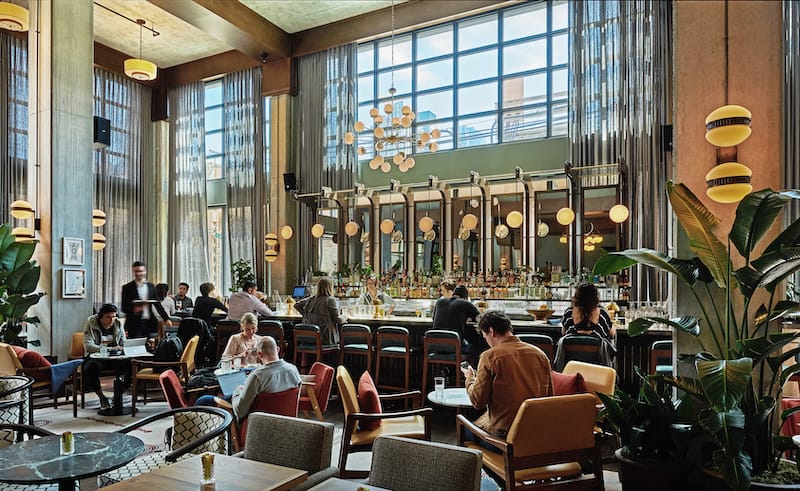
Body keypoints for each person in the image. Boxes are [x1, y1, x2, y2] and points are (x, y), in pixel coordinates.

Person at [461, 310, 553, 450]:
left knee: (463, 428)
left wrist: (470, 379)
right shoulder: (540, 354)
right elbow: (549, 397)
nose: (487, 341)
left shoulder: (490, 356)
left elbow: (477, 401)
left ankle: (485, 472)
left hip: (505, 440)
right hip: (537, 437)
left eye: (485, 336)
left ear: (491, 332)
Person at [196, 336, 301, 421]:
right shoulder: (293, 370)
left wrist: (238, 390)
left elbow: (240, 412)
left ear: (259, 354)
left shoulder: (257, 376)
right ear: (277, 349)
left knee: (203, 400)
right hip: (284, 420)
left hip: (257, 423)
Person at [554, 282, 616, 370]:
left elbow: (563, 332)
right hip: (597, 366)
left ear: (577, 296)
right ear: (596, 296)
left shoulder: (569, 312)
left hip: (572, 365)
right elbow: (612, 333)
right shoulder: (602, 313)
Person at [82, 304, 128, 410]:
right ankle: (102, 397)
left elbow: (123, 342)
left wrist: (123, 347)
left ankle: (117, 395)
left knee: (131, 365)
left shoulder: (117, 323)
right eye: (108, 317)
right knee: (90, 368)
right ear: (101, 317)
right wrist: (109, 349)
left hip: (115, 357)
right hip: (97, 357)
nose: (111, 320)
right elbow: (88, 346)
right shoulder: (91, 324)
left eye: (113, 317)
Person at [120, 261, 171, 339]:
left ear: (145, 271)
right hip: (134, 324)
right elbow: (123, 307)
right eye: (136, 271)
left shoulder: (151, 286)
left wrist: (166, 318)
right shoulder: (127, 287)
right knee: (136, 347)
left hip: (149, 323)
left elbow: (158, 304)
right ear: (133, 272)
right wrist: (134, 310)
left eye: (140, 271)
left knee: (150, 347)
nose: (138, 273)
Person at [432, 280, 482, 356]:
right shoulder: (465, 303)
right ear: (465, 297)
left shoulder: (440, 302)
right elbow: (481, 320)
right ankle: (467, 368)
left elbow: (433, 318)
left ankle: (448, 368)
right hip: (454, 346)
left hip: (435, 345)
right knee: (477, 347)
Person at [294, 277, 343, 346]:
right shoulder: (330, 300)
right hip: (325, 338)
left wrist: (305, 314)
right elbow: (336, 319)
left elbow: (296, 305)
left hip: (309, 338)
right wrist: (345, 318)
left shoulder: (311, 299)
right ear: (330, 288)